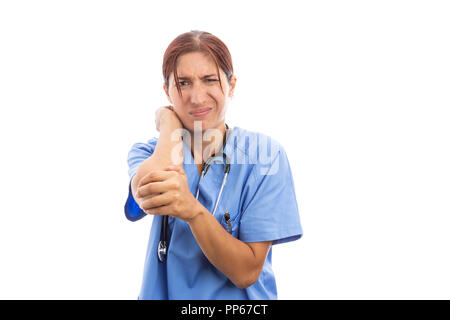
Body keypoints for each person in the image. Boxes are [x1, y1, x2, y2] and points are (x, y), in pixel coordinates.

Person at [124, 30, 303, 300]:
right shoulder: (149, 151)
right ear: (167, 92)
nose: (196, 97)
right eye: (183, 83)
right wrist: (168, 123)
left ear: (232, 85)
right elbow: (147, 193)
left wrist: (193, 211)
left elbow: (246, 272)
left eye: (209, 80)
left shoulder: (264, 157)